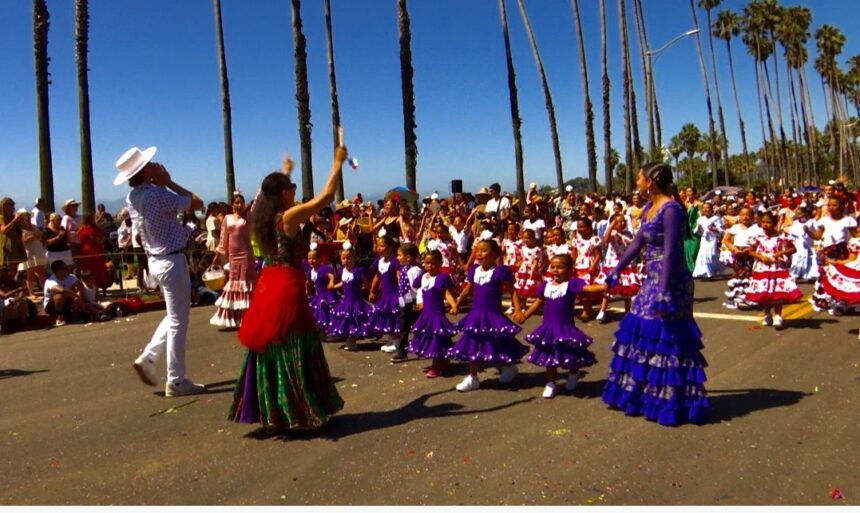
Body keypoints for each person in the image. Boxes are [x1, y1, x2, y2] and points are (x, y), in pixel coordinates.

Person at [227, 146, 346, 431]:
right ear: (283, 194)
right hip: (285, 287)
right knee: (294, 343)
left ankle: (274, 412)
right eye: (291, 187)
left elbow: (269, 192)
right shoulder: (289, 218)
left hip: (269, 283)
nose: (294, 190)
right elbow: (327, 198)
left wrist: (286, 171)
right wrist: (337, 163)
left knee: (271, 344)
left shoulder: (261, 215)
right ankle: (298, 411)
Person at [601, 162, 709, 427]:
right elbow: (638, 242)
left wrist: (663, 291)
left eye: (639, 177)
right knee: (642, 331)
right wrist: (617, 268)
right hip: (652, 277)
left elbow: (672, 251)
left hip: (672, 280)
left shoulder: (671, 210)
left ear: (650, 181)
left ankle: (672, 399)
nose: (636, 181)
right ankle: (643, 393)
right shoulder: (650, 208)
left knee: (669, 337)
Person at [116, 146, 206, 397]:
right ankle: (175, 380)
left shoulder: (132, 198)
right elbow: (197, 202)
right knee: (179, 320)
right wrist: (169, 182)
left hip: (157, 259)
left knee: (174, 315)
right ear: (145, 171)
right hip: (171, 259)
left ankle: (149, 357)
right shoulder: (157, 194)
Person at [449, 238, 529, 392]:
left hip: (493, 315)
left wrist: (518, 309)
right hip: (476, 315)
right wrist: (457, 304)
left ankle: (508, 367)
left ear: (495, 254)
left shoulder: (500, 272)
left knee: (498, 342)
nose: (479, 253)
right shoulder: (474, 271)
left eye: (484, 250)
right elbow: (468, 289)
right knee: (473, 342)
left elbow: (512, 291)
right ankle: (473, 377)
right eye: (477, 250)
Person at [515, 254, 600, 398]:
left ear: (570, 270)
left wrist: (605, 286)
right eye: (552, 267)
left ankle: (573, 374)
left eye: (560, 267)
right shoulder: (546, 286)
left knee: (571, 354)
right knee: (550, 355)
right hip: (548, 328)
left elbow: (588, 289)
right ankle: (551, 383)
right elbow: (537, 303)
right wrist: (525, 315)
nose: (555, 270)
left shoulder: (571, 285)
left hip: (566, 327)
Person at [406, 249, 458, 377]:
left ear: (440, 263)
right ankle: (442, 360)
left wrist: (454, 305)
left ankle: (436, 365)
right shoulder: (423, 277)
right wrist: (419, 302)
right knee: (429, 338)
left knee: (437, 338)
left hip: (437, 314)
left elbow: (447, 293)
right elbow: (416, 285)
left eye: (433, 263)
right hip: (426, 314)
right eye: (427, 263)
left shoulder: (442, 278)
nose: (430, 266)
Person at [745, 211, 801, 329]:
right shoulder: (758, 237)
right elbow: (750, 250)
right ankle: (767, 314)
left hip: (777, 267)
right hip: (763, 267)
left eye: (769, 222)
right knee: (765, 292)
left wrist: (781, 252)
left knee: (777, 292)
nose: (766, 225)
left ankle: (778, 316)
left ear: (775, 223)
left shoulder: (782, 237)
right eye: (763, 222)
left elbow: (793, 249)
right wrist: (761, 257)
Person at [210, 193, 256, 328]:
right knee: (234, 284)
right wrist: (217, 257)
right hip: (233, 257)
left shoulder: (248, 217)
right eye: (237, 203)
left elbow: (257, 204)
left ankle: (248, 318)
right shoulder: (227, 219)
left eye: (242, 202)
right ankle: (234, 317)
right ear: (232, 205)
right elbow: (223, 239)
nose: (239, 205)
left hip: (246, 255)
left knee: (246, 285)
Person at [328, 243, 372, 351]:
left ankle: (352, 341)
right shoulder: (342, 271)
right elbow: (344, 282)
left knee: (355, 320)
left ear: (354, 258)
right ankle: (349, 340)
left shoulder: (358, 271)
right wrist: (334, 286)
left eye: (348, 258)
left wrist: (370, 290)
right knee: (346, 320)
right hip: (346, 301)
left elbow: (366, 283)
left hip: (356, 301)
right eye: (343, 258)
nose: (346, 260)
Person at [596, 213, 639, 322]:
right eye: (619, 222)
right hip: (613, 263)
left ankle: (627, 311)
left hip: (626, 262)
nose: (622, 223)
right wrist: (611, 226)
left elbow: (633, 244)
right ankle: (602, 310)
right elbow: (605, 240)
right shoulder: (613, 233)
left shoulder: (628, 233)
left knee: (627, 288)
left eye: (623, 221)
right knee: (609, 287)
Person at [365, 234, 402, 351]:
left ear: (390, 247)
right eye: (377, 246)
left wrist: (403, 291)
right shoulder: (379, 261)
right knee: (386, 316)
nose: (379, 248)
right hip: (385, 295)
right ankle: (391, 339)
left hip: (394, 294)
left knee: (393, 317)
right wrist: (372, 291)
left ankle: (397, 341)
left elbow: (399, 277)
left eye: (382, 246)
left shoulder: (395, 261)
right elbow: (377, 277)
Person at [721, 207, 761, 310]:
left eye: (748, 215)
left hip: (750, 254)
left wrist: (751, 249)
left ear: (752, 217)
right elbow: (726, 240)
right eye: (743, 215)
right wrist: (734, 249)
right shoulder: (735, 227)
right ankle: (738, 298)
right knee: (738, 275)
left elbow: (760, 241)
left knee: (749, 275)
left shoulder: (756, 228)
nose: (745, 217)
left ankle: (749, 298)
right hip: (738, 254)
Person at [391, 242, 423, 362]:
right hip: (404, 300)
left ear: (408, 257)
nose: (398, 258)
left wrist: (419, 301)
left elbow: (419, 287)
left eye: (399, 255)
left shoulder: (415, 270)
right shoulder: (404, 269)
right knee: (403, 327)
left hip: (413, 301)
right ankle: (401, 352)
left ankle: (421, 348)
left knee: (417, 326)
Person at [306, 244, 339, 338]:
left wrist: (331, 282)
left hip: (327, 294)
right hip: (318, 294)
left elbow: (330, 275)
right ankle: (323, 330)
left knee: (326, 311)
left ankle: (330, 330)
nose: (311, 261)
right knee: (318, 312)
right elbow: (309, 281)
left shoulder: (323, 268)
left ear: (319, 259)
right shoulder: (311, 270)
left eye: (314, 259)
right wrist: (307, 289)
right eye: (309, 258)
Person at [77, 213, 112, 291]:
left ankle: (98, 287)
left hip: (97, 250)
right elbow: (79, 239)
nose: (94, 219)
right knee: (87, 269)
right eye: (92, 217)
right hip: (86, 251)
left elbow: (103, 239)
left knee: (99, 269)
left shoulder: (96, 228)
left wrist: (97, 240)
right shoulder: (82, 228)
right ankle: (88, 288)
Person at [783, 205, 819, 282]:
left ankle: (810, 275)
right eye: (797, 214)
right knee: (797, 259)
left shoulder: (811, 222)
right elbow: (793, 233)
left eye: (800, 214)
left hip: (809, 245)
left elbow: (817, 232)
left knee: (810, 259)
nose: (798, 216)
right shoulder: (795, 223)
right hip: (798, 245)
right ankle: (795, 275)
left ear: (805, 214)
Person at [18, 209, 48, 298]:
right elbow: (25, 240)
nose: (26, 218)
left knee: (41, 272)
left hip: (37, 251)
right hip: (29, 252)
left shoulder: (34, 226)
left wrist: (33, 236)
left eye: (27, 216)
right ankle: (31, 293)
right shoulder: (20, 229)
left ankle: (45, 290)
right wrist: (34, 236)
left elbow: (40, 235)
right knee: (30, 274)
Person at [43, 260, 83, 327]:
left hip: (67, 301)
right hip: (52, 306)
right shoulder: (50, 280)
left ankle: (77, 314)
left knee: (80, 292)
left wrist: (78, 295)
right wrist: (76, 295)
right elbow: (61, 290)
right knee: (59, 296)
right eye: (65, 267)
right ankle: (59, 317)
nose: (68, 268)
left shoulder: (71, 277)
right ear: (58, 270)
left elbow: (80, 286)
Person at [691, 202, 725, 279]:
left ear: (711, 209)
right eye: (704, 208)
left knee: (711, 255)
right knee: (703, 255)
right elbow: (696, 232)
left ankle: (711, 271)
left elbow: (722, 231)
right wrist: (698, 228)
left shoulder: (716, 218)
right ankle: (705, 272)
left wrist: (715, 229)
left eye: (707, 207)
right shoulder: (700, 219)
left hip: (712, 240)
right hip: (704, 240)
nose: (705, 209)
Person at [0, 197, 27, 269]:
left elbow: (26, 227)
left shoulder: (13, 217)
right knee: (7, 271)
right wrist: (14, 220)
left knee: (14, 269)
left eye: (12, 204)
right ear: (3, 205)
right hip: (7, 247)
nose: (12, 206)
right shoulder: (2, 217)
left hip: (16, 245)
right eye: (9, 204)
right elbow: (3, 230)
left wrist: (22, 220)